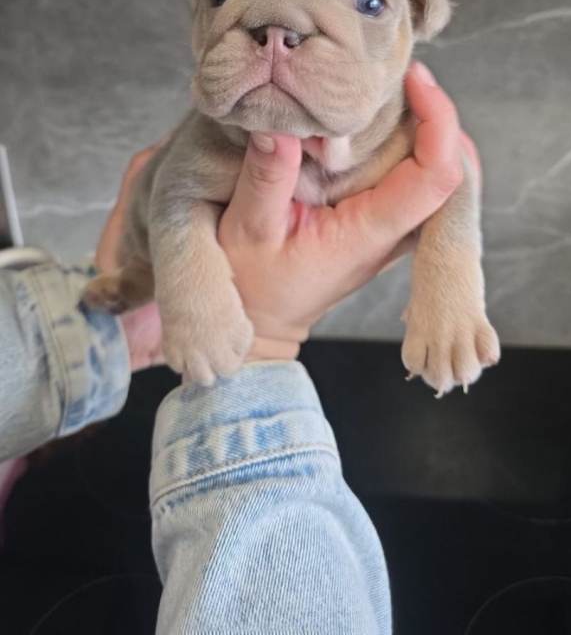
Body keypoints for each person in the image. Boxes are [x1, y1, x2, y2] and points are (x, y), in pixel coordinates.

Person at [0, 63, 474, 634]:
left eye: (370, 1)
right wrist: (260, 339)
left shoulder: (387, 115)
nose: (277, 37)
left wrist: (450, 283)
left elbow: (453, 181)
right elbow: (175, 199)